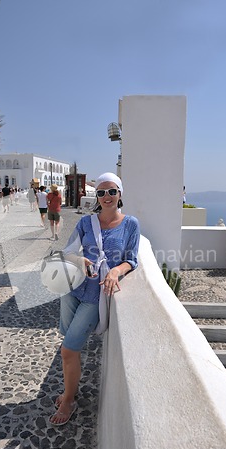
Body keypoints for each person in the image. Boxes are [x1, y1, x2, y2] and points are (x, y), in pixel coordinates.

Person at [49, 172, 140, 426]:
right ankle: (70, 388)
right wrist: (81, 260)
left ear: (120, 193)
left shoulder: (131, 224)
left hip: (95, 295)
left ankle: (68, 399)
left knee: (68, 349)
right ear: (96, 197)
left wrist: (114, 271)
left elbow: (131, 260)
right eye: (101, 192)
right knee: (68, 341)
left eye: (112, 191)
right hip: (74, 288)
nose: (107, 196)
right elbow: (67, 252)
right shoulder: (86, 223)